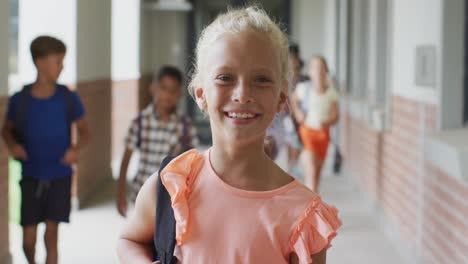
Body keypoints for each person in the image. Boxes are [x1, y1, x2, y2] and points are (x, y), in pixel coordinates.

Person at [117, 7, 341, 263]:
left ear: (281, 98)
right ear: (201, 93)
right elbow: (130, 240)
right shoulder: (171, 185)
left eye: (261, 79)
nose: (242, 94)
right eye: (225, 77)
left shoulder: (302, 216)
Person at [1, 35, 90, 264]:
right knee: (28, 240)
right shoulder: (20, 100)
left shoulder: (68, 98)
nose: (62, 66)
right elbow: (6, 130)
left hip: (60, 175)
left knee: (51, 236)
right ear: (40, 62)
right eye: (58, 61)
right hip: (31, 176)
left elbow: (85, 131)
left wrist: (75, 150)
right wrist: (13, 146)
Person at [116, 66, 199, 217]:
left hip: (170, 197)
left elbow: (192, 165)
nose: (167, 95)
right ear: (153, 88)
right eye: (163, 88)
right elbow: (125, 159)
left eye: (172, 90)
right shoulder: (140, 122)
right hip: (141, 195)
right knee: (142, 238)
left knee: (165, 240)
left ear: (179, 94)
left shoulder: (184, 126)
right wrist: (120, 193)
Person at [291, 56, 339, 192]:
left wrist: (326, 122)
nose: (318, 71)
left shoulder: (331, 93)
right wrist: (298, 112)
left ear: (326, 70)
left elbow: (336, 117)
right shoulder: (303, 88)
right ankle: (310, 207)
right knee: (311, 171)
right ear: (310, 71)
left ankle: (312, 203)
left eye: (321, 67)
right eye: (314, 68)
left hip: (323, 135)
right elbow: (293, 101)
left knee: (316, 175)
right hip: (307, 132)